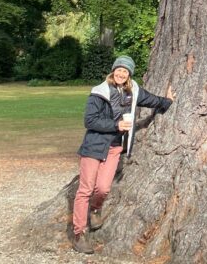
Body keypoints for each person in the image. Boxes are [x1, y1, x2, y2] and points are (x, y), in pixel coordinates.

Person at [72, 55, 174, 254]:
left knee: (102, 188)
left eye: (125, 71)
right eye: (118, 69)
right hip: (94, 145)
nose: (121, 73)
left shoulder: (133, 91)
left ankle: (95, 209)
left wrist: (167, 100)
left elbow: (153, 101)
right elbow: (90, 121)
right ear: (113, 71)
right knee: (85, 189)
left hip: (115, 147)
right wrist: (116, 125)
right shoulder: (99, 93)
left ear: (129, 75)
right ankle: (79, 234)